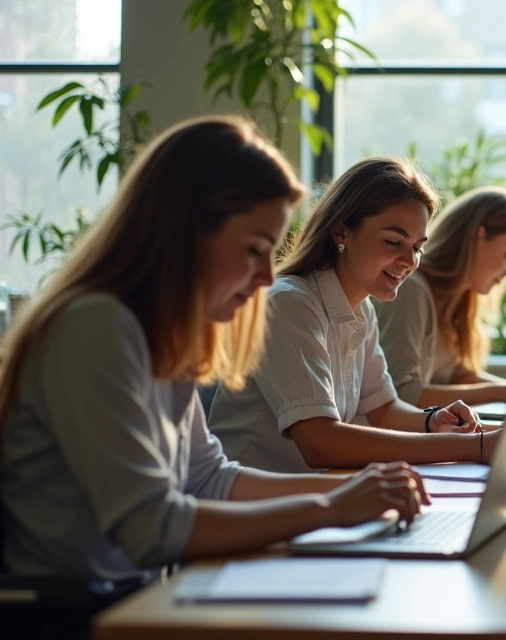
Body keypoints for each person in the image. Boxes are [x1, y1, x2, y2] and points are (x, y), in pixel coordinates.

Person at [0, 116, 428, 581]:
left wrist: (357, 492)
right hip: (70, 611)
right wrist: (327, 507)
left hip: (132, 597)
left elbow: (209, 478)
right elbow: (151, 529)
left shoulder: (163, 331)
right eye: (253, 249)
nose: (267, 276)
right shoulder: (95, 327)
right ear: (185, 232)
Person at [209, 158, 506, 474]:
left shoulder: (362, 308)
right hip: (255, 506)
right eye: (394, 242)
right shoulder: (287, 304)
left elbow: (385, 409)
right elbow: (320, 442)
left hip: (313, 495)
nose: (409, 262)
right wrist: (474, 447)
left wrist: (435, 421)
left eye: (417, 248)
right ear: (342, 231)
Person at [375, 186, 506, 407]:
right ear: (478, 237)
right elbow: (402, 393)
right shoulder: (411, 289)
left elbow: (458, 376)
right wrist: (501, 392)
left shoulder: (456, 302)